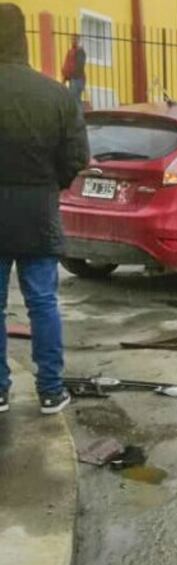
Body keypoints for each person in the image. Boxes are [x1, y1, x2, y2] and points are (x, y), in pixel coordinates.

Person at [0, 4, 90, 415]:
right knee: (42, 302)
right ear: (25, 38)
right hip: (38, 208)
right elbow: (76, 158)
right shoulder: (54, 94)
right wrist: (50, 185)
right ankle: (50, 391)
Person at [61, 33, 86, 107]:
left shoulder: (80, 51)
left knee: (75, 100)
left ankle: (78, 117)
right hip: (73, 79)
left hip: (77, 79)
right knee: (74, 100)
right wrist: (65, 78)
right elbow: (67, 65)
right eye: (72, 39)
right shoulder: (71, 51)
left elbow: (79, 67)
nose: (73, 41)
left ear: (79, 40)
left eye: (75, 39)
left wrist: (69, 75)